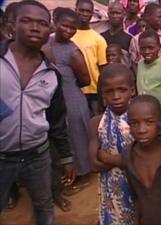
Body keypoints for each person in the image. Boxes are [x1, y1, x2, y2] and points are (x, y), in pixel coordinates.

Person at [0, 1, 75, 224]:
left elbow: (57, 120)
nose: (35, 27)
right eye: (27, 21)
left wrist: (66, 157)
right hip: (1, 157)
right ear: (12, 26)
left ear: (48, 31)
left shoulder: (51, 74)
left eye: (42, 23)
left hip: (38, 156)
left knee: (43, 205)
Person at [44, 7, 91, 209]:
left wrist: (66, 86)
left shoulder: (73, 52)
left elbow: (85, 79)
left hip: (70, 98)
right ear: (55, 22)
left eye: (73, 27)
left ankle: (78, 176)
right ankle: (60, 176)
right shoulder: (46, 43)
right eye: (65, 25)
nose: (69, 30)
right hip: (49, 98)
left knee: (75, 137)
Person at [124, 95, 161, 225]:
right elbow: (138, 197)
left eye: (149, 122)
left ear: (160, 122)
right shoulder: (129, 155)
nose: (141, 130)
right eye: (134, 123)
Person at [89, 63, 135, 225]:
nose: (116, 96)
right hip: (111, 193)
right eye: (109, 91)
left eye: (122, 90)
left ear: (132, 91)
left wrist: (106, 157)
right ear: (102, 95)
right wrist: (124, 161)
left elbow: (142, 162)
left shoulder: (141, 121)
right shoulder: (97, 123)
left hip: (137, 188)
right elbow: (94, 165)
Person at [72, 0, 108, 116]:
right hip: (72, 89)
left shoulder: (99, 39)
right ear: (75, 10)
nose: (84, 14)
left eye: (87, 11)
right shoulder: (68, 34)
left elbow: (103, 69)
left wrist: (102, 93)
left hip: (92, 91)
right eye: (81, 10)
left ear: (92, 14)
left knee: (93, 125)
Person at [136, 30, 161, 119]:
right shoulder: (140, 63)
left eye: (151, 48)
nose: (147, 51)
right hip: (144, 114)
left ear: (159, 47)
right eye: (143, 48)